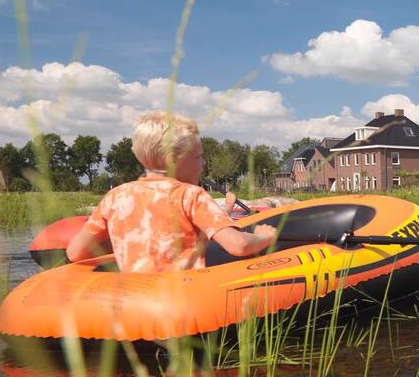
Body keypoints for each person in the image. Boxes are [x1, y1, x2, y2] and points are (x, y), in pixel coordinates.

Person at [66, 111, 278, 272]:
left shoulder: (115, 196)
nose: (203, 164)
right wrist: (263, 237)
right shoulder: (190, 194)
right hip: (182, 304)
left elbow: (76, 252)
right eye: (198, 157)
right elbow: (239, 245)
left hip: (135, 303)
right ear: (173, 160)